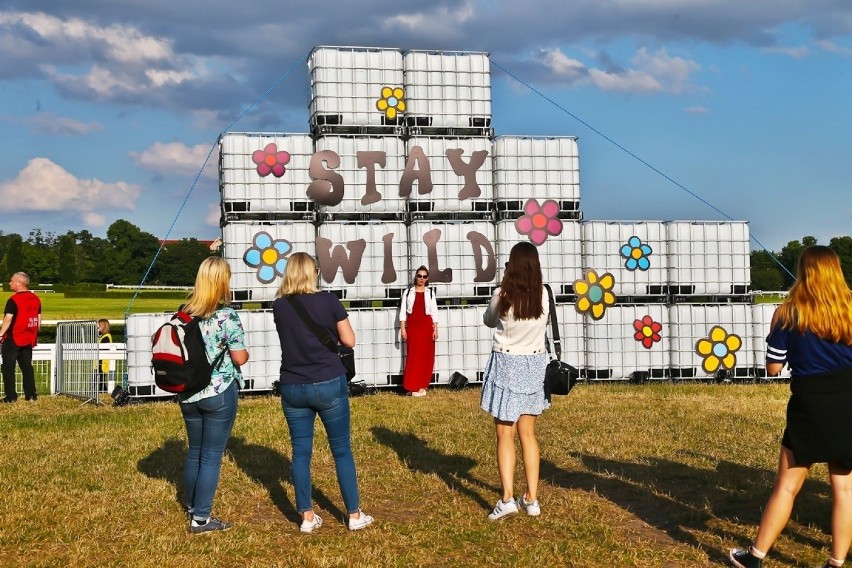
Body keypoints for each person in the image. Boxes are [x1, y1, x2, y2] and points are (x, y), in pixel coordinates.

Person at [729, 246, 852, 568]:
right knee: (844, 489)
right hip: (848, 400)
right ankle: (836, 562)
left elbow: (773, 368)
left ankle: (755, 557)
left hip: (809, 402)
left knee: (787, 486)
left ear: (803, 271)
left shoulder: (786, 313)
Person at [272, 252, 373, 533]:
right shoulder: (329, 300)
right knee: (341, 450)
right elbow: (349, 340)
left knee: (300, 452)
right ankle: (354, 515)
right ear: (312, 272)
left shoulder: (279, 306)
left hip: (292, 384)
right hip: (328, 381)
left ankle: (306, 516)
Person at [480, 242, 551, 520]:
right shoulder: (544, 295)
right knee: (528, 435)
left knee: (504, 433)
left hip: (507, 363)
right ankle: (532, 499)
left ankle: (508, 498)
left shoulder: (503, 294)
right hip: (534, 364)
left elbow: (488, 320)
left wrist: (502, 286)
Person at [178, 257, 249, 534]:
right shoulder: (226, 315)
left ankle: (192, 503)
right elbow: (240, 358)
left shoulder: (183, 314)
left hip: (188, 393)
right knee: (211, 456)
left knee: (194, 451)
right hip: (219, 392)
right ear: (222, 282)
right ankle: (202, 518)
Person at [0, 272, 42, 403]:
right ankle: (31, 395)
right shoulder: (36, 299)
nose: (10, 283)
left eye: (12, 281)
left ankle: (11, 396)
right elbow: (38, 319)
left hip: (14, 337)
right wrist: (35, 333)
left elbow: (8, 319)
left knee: (8, 367)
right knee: (26, 367)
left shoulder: (14, 300)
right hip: (28, 338)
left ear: (19, 283)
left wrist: (0, 334)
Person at [399, 265, 438, 397]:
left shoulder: (430, 293)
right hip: (413, 326)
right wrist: (403, 329)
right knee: (413, 356)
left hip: (426, 326)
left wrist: (435, 329)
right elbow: (403, 311)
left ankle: (422, 386)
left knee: (425, 356)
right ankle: (412, 385)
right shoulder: (408, 292)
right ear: (416, 277)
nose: (421, 279)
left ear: (427, 279)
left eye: (424, 276)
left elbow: (434, 312)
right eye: (419, 276)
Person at [96, 319, 115, 392]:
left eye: (99, 326)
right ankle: (102, 391)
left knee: (101, 380)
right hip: (100, 362)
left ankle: (103, 391)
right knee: (100, 380)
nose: (97, 327)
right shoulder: (102, 336)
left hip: (103, 363)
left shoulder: (106, 337)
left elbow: (103, 349)